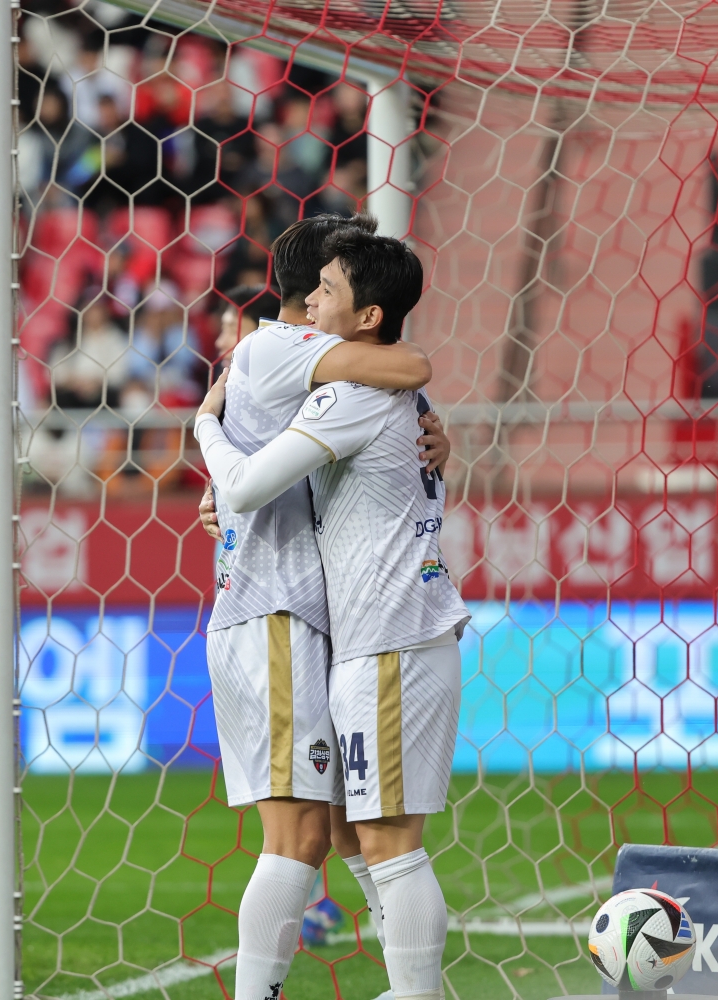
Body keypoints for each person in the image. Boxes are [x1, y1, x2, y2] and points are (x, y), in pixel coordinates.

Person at [194, 228, 468, 1000]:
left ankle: (413, 991)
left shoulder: (347, 386)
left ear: (364, 313)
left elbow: (255, 480)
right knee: (324, 834)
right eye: (316, 286)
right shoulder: (309, 363)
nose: (318, 301)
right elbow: (408, 373)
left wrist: (209, 432)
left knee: (360, 834)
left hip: (372, 630)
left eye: (332, 290)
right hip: (296, 617)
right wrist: (217, 455)